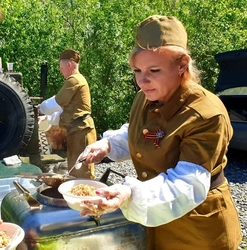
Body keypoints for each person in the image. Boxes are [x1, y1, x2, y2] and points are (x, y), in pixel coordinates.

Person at [76, 15, 242, 249]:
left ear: (182, 64)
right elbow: (143, 131)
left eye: (154, 70)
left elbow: (186, 184)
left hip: (198, 229)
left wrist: (128, 193)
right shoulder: (145, 97)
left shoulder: (207, 114)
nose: (142, 81)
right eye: (137, 70)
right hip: (155, 222)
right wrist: (108, 145)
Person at [40, 49, 97, 178]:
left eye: (61, 67)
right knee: (75, 170)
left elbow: (56, 103)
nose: (61, 71)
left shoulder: (74, 80)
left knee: (83, 172)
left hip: (81, 130)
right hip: (77, 130)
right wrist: (47, 118)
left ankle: (85, 197)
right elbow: (65, 111)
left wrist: (40, 108)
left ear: (69, 65)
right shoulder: (76, 80)